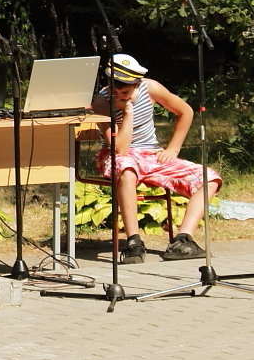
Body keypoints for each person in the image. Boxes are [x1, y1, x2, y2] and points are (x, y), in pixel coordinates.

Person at [91, 54, 222, 263]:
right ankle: (134, 241)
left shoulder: (150, 88)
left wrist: (173, 148)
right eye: (113, 89)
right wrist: (128, 110)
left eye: (124, 91)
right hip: (116, 154)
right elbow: (121, 149)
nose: (118, 94)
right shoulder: (101, 101)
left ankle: (182, 240)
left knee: (209, 178)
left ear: (137, 84)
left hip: (150, 153)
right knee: (127, 170)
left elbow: (185, 111)